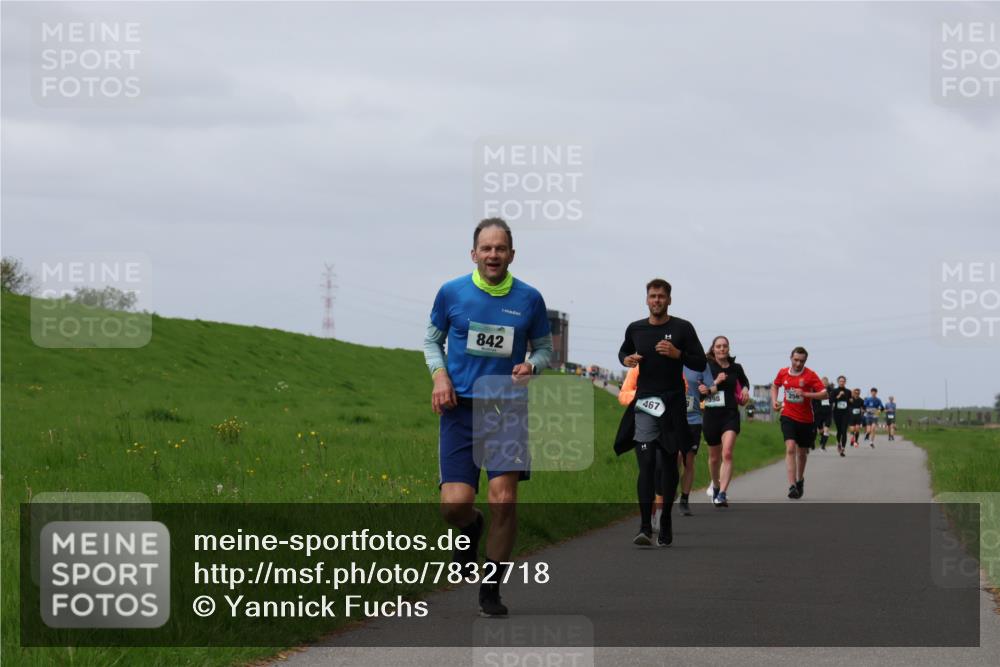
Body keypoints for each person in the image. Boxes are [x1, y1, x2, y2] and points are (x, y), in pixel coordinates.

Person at [423, 217, 553, 617]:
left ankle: (491, 589)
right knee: (454, 506)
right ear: (473, 253)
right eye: (486, 248)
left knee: (505, 501)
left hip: (506, 409)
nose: (493, 254)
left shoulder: (529, 299)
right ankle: (470, 526)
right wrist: (439, 375)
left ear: (512, 255)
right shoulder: (451, 292)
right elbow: (431, 340)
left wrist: (532, 365)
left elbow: (544, 348)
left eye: (500, 248)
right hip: (460, 409)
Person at [614, 279, 706, 547]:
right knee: (645, 465)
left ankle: (665, 519)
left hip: (673, 404)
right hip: (645, 402)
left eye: (661, 296)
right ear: (646, 299)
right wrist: (626, 359)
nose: (656, 300)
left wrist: (678, 354)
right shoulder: (636, 328)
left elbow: (700, 361)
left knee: (668, 465)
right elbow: (623, 350)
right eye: (653, 296)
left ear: (669, 300)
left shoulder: (682, 328)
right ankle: (645, 526)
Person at [770, 347, 828, 499]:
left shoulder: (810, 375)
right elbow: (775, 385)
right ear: (791, 358)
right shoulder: (783, 372)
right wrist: (774, 401)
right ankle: (792, 486)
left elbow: (824, 394)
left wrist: (806, 394)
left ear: (805, 361)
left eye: (801, 361)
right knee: (790, 448)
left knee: (802, 453)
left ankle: (800, 480)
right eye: (796, 360)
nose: (798, 363)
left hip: (806, 420)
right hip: (788, 416)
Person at [700, 336, 750, 508]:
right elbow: (702, 391)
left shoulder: (736, 367)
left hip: (730, 414)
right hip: (711, 415)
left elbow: (744, 381)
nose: (722, 349)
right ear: (713, 349)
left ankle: (722, 493)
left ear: (728, 348)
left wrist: (745, 389)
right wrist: (716, 381)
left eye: (725, 346)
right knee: (714, 458)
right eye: (718, 346)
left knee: (727, 453)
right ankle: (715, 485)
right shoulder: (706, 367)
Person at [830, 376, 852, 457]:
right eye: (840, 381)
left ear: (845, 382)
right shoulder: (834, 391)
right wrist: (838, 396)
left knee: (844, 431)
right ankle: (839, 443)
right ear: (838, 382)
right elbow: (831, 400)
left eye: (843, 381)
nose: (842, 382)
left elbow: (850, 402)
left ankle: (843, 448)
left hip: (845, 413)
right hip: (837, 413)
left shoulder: (848, 391)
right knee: (839, 431)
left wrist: (851, 401)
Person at [813, 376, 834, 450]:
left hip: (828, 412)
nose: (824, 384)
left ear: (828, 383)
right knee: (820, 430)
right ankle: (820, 439)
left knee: (826, 429)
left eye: (826, 382)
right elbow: (813, 399)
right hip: (818, 412)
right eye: (823, 383)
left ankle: (823, 445)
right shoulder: (816, 389)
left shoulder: (831, 390)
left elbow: (834, 398)